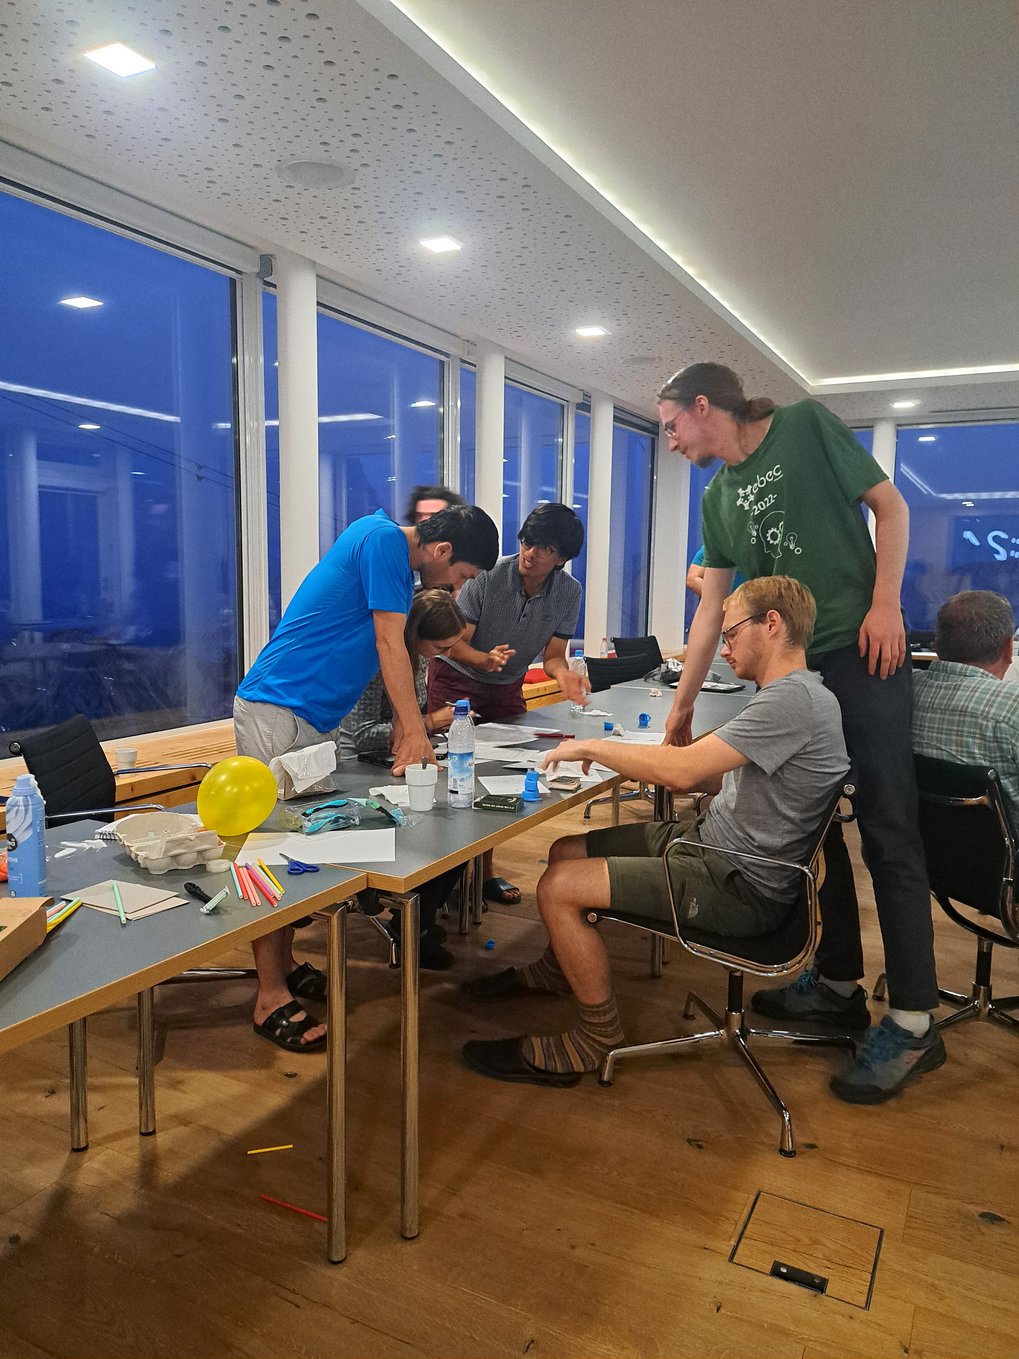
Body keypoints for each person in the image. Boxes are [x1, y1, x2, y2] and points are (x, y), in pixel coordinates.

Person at [658, 361, 944, 1105]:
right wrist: (683, 706)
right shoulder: (718, 498)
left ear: (702, 406)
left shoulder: (805, 425)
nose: (668, 441)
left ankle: (914, 1020)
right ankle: (841, 986)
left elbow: (891, 507)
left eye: (670, 425)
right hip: (791, 676)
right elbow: (711, 609)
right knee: (813, 834)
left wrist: (888, 605)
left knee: (887, 831)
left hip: (863, 651)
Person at [460, 577, 850, 1087]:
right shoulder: (797, 695)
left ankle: (593, 1040)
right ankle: (554, 972)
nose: (723, 647)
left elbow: (686, 776)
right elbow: (713, 774)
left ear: (771, 624)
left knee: (559, 887)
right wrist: (673, 759)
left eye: (730, 634)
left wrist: (591, 749)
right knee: (565, 849)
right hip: (712, 843)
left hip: (737, 882)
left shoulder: (790, 701)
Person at [234, 503, 498, 1053]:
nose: (456, 589)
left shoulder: (392, 559)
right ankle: (268, 997)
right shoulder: (382, 541)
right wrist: (413, 731)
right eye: (462, 576)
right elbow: (388, 645)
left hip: (308, 716)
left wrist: (412, 727)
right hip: (280, 708)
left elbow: (392, 650)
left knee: (297, 849)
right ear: (443, 552)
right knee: (272, 849)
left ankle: (281, 964)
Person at [427, 502, 589, 905]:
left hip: (505, 688)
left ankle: (484, 873)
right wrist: (484, 659)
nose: (530, 553)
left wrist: (563, 674)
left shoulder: (569, 592)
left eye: (544, 547)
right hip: (456, 682)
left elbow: (553, 655)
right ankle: (438, 878)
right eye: (527, 541)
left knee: (498, 780)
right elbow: (452, 641)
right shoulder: (490, 578)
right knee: (453, 779)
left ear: (562, 557)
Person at [341, 588, 472, 970]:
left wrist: (425, 732)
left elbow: (409, 723)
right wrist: (429, 723)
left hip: (394, 768)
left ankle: (418, 918)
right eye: (441, 646)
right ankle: (412, 924)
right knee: (442, 834)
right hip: (357, 773)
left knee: (461, 832)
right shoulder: (376, 665)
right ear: (415, 635)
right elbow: (360, 735)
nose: (446, 654)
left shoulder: (418, 659)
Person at [912, 590, 1019, 828]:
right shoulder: (1013, 707)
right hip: (1005, 860)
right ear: (1008, 648)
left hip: (918, 856)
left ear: (937, 645)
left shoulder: (902, 694)